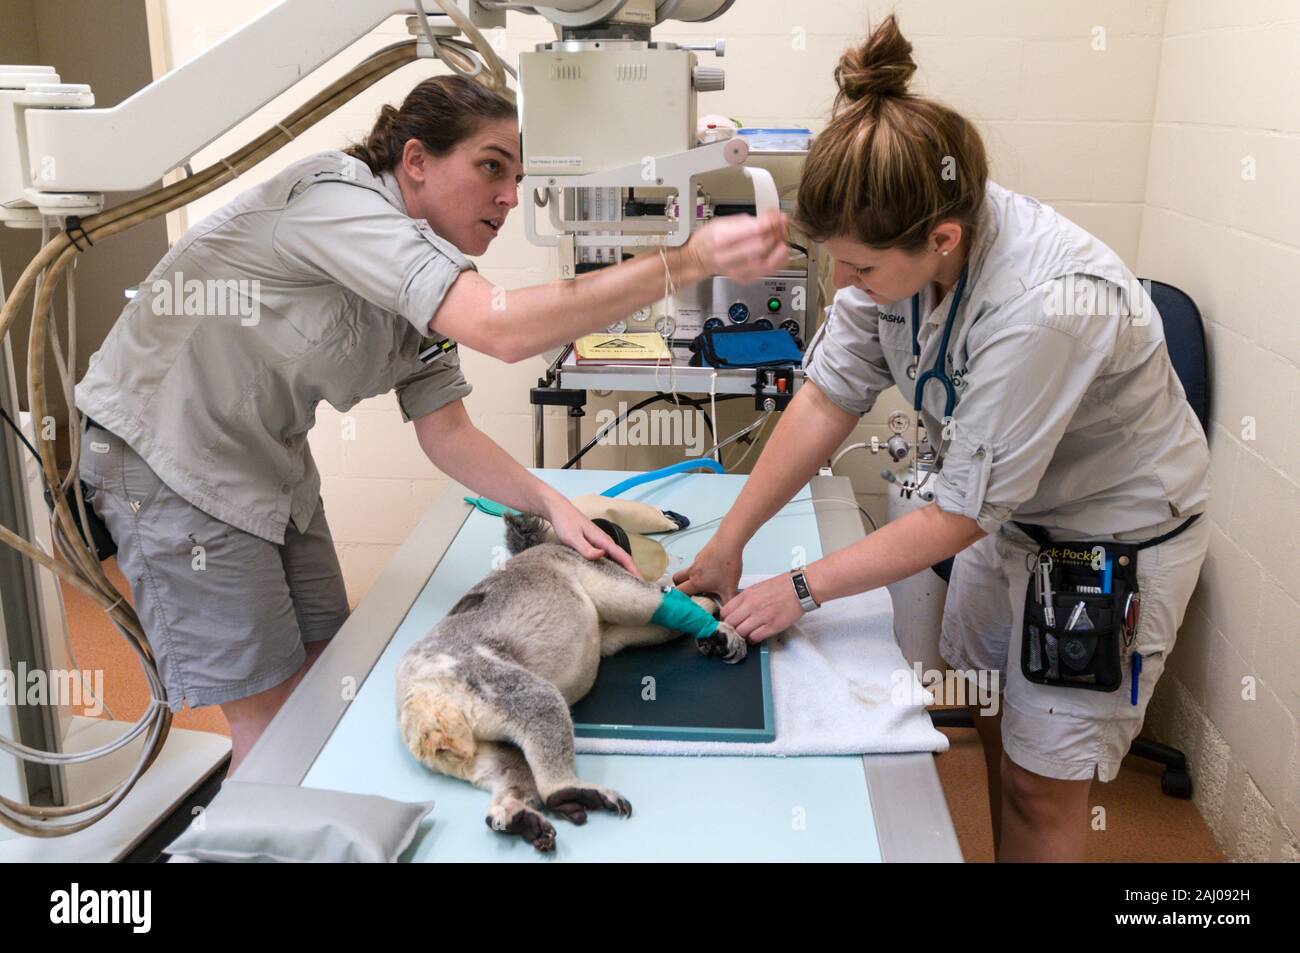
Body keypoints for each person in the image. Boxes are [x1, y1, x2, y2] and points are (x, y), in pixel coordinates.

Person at [74, 74, 788, 773]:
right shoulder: (334, 203)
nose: (509, 197)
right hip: (169, 462)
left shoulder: (422, 272)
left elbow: (446, 428)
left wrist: (555, 509)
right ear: (415, 160)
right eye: (490, 168)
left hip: (269, 467)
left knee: (331, 677)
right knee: (271, 726)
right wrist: (679, 262)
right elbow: (500, 329)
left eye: (517, 176)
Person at [673, 16, 1210, 861]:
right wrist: (729, 544)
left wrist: (798, 588)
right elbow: (826, 398)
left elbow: (956, 513)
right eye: (835, 265)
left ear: (944, 240)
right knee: (996, 719)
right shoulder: (890, 249)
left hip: (1109, 536)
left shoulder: (1043, 306)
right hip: (1011, 517)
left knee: (1043, 783)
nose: (842, 286)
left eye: (860, 271)